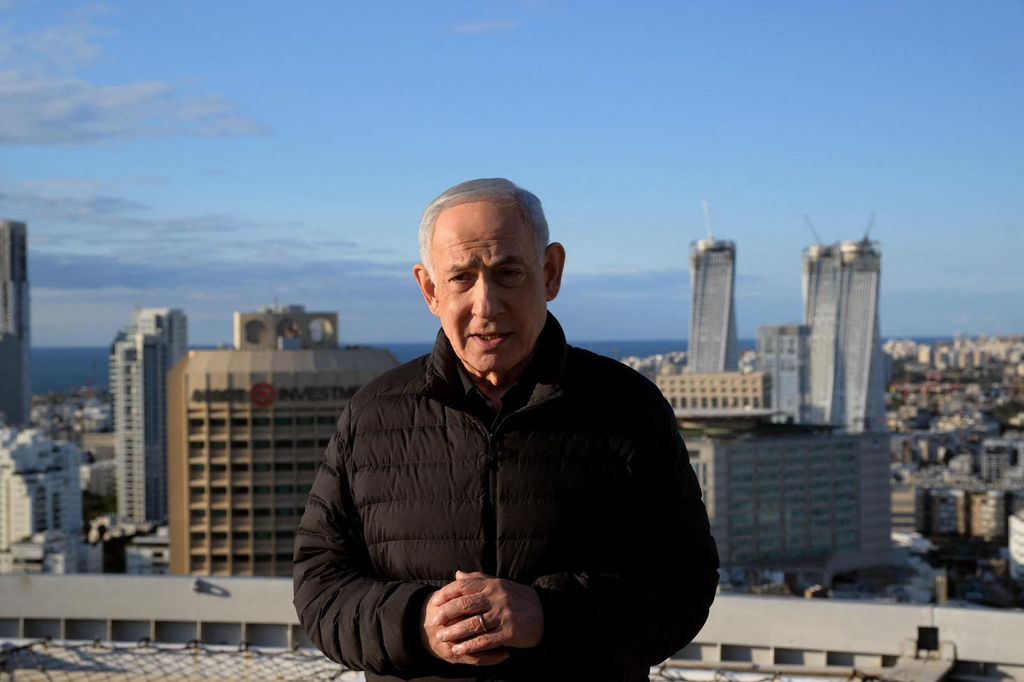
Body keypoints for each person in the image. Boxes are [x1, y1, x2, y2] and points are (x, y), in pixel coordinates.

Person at [293, 178, 719, 682]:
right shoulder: (373, 416)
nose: (486, 304)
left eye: (508, 273)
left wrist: (548, 616)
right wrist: (419, 624)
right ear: (430, 289)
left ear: (550, 272)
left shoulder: (629, 409)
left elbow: (684, 587)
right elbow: (320, 588)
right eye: (461, 278)